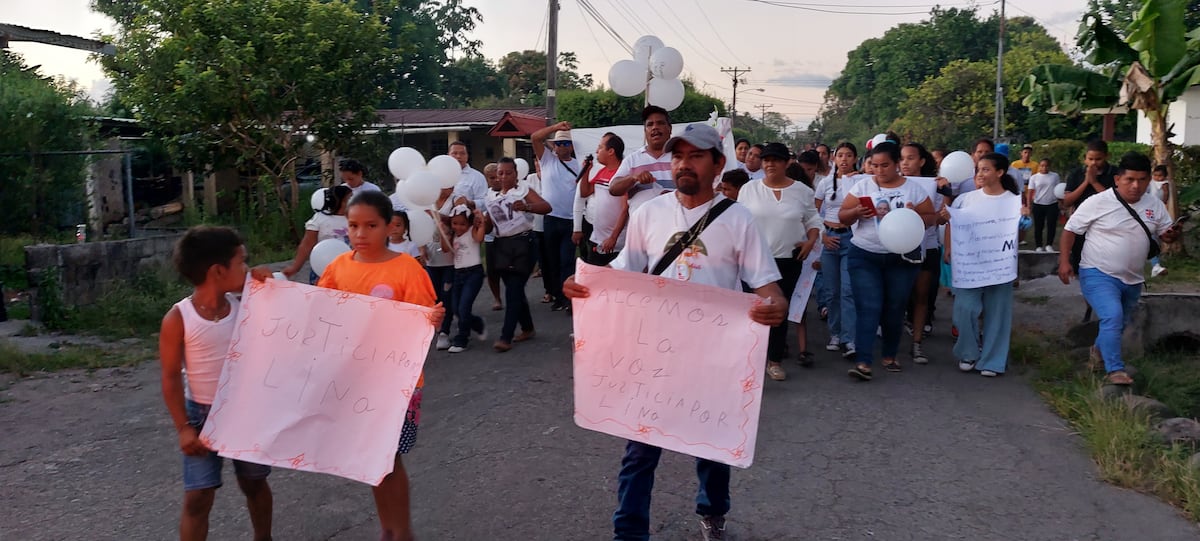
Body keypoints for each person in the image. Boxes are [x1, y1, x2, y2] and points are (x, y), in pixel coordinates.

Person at [562, 123, 786, 541]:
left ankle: (713, 512)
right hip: (654, 354)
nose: (684, 164)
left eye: (696, 156)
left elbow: (768, 288)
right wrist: (582, 285)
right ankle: (628, 533)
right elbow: (622, 273)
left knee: (711, 447)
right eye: (678, 156)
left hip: (713, 358)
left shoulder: (738, 220)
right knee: (639, 451)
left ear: (718, 164)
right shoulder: (650, 213)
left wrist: (775, 307)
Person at [251, 191, 442, 541]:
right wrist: (271, 289)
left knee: (388, 458)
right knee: (374, 458)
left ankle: (401, 530)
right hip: (352, 383)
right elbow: (317, 314)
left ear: (389, 227)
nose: (360, 233)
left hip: (395, 382)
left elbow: (424, 324)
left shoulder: (407, 269)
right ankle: (390, 528)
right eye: (353, 225)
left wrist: (432, 320)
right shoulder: (338, 268)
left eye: (371, 225)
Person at [159, 226, 273, 541]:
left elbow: (284, 323)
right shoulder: (178, 318)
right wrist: (183, 427)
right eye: (242, 262)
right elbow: (169, 377)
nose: (247, 268)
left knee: (253, 483)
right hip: (200, 418)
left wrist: (269, 287)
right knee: (198, 495)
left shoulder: (248, 306)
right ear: (218, 271)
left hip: (245, 413)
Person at [1059, 152, 1179, 385]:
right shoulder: (1097, 202)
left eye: (1142, 180)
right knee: (1112, 316)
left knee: (1119, 322)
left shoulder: (1154, 204)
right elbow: (1070, 230)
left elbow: (1165, 234)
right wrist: (1064, 261)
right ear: (1117, 179)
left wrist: (1171, 236)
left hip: (1133, 278)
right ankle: (1115, 370)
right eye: (1130, 180)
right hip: (1097, 272)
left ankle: (1097, 354)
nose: (1136, 186)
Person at [838, 142, 935, 380]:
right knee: (869, 306)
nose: (879, 170)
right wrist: (856, 213)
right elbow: (842, 216)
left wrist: (914, 215)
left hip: (901, 258)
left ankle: (890, 355)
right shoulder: (862, 186)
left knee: (894, 307)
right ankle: (863, 362)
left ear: (896, 164)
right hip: (865, 255)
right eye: (874, 165)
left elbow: (931, 218)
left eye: (885, 165)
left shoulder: (913, 190)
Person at [738, 142, 821, 380]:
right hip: (753, 260)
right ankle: (749, 359)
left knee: (778, 310)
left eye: (775, 159)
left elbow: (813, 220)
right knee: (752, 309)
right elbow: (739, 221)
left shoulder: (802, 191)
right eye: (766, 160)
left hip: (789, 259)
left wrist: (810, 241)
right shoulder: (749, 189)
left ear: (787, 163)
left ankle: (774, 360)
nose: (769, 164)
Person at [942, 153, 1022, 377]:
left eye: (986, 169)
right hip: (970, 265)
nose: (980, 174)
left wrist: (1024, 219)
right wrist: (948, 248)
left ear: (1000, 172)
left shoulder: (1013, 201)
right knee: (964, 309)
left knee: (998, 313)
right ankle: (968, 352)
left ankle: (993, 360)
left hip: (1000, 266)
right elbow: (952, 224)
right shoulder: (966, 200)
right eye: (978, 169)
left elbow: (1019, 232)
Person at [487, 158, 552, 352]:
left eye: (508, 173)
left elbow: (546, 207)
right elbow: (492, 224)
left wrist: (526, 206)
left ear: (516, 174)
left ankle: (505, 337)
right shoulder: (491, 195)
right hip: (502, 245)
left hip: (523, 243)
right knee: (514, 289)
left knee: (513, 289)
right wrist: (482, 221)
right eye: (500, 173)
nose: (504, 177)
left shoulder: (523, 190)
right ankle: (527, 327)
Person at [531, 121, 582, 312]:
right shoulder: (547, 160)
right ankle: (558, 296)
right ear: (554, 145)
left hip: (570, 219)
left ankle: (569, 299)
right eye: (559, 143)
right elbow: (535, 138)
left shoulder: (579, 165)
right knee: (551, 260)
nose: (562, 147)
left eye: (566, 143)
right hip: (551, 217)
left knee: (566, 260)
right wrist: (555, 128)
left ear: (572, 146)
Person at [814, 142, 859, 359]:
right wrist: (823, 235)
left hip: (851, 237)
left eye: (849, 155)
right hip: (829, 238)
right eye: (840, 155)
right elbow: (811, 213)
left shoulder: (861, 181)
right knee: (832, 291)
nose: (844, 159)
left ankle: (850, 338)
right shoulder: (824, 183)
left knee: (849, 290)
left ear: (855, 158)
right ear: (833, 158)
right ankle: (835, 333)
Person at [899, 142, 942, 365]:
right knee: (897, 296)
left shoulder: (935, 186)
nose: (905, 163)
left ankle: (917, 344)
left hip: (928, 246)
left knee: (921, 297)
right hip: (898, 248)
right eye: (902, 158)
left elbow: (938, 217)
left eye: (910, 158)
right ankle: (892, 343)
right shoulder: (892, 184)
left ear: (922, 161)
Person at [438, 205, 488, 353]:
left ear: (469, 223)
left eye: (462, 224)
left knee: (464, 306)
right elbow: (446, 249)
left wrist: (481, 221)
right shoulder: (453, 236)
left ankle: (462, 338)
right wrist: (443, 233)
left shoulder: (472, 231)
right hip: (458, 274)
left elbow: (480, 238)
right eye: (455, 223)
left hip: (474, 273)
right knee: (456, 309)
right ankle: (478, 324)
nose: (458, 227)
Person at [1063, 140, 1118, 272]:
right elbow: (1067, 201)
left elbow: (1116, 201)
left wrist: (1094, 182)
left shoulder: (1115, 173)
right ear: (1085, 159)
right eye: (1090, 159)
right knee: (1079, 258)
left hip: (1107, 223)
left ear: (1107, 156)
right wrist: (1086, 182)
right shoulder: (1076, 174)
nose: (1094, 163)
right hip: (1081, 224)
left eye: (1098, 159)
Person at [609, 105, 675, 215]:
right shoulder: (632, 159)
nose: (655, 127)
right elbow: (613, 189)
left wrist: (672, 197)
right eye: (650, 124)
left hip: (675, 228)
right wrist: (633, 178)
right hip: (641, 229)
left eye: (660, 123)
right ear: (645, 131)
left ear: (670, 128)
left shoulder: (681, 158)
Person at [281, 184, 351, 283]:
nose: (353, 202)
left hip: (349, 267)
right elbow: (307, 245)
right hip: (323, 266)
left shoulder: (355, 218)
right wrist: (295, 267)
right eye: (348, 199)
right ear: (339, 201)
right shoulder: (319, 219)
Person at [577, 132, 629, 267]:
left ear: (611, 151)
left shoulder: (623, 174)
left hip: (615, 242)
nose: (596, 151)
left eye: (600, 148)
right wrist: (586, 172)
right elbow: (585, 192)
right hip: (597, 238)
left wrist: (613, 237)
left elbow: (625, 209)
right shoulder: (602, 171)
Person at [427, 185, 458, 350]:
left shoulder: (457, 199)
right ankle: (439, 326)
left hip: (449, 259)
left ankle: (444, 332)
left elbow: (459, 221)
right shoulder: (426, 199)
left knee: (446, 296)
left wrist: (436, 215)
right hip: (431, 259)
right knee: (434, 296)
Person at [482, 163, 504, 310]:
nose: (496, 180)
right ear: (487, 180)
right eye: (491, 178)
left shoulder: (510, 192)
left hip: (507, 238)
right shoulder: (487, 197)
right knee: (492, 271)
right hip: (491, 238)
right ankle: (497, 298)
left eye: (498, 176)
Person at [1027, 158, 1061, 252]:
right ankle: (1039, 245)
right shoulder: (1034, 177)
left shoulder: (1055, 176)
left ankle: (1049, 244)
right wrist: (1029, 205)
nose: (1044, 168)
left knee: (1051, 225)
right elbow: (1030, 192)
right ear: (1039, 166)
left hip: (1052, 204)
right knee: (1038, 226)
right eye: (1042, 165)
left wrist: (1061, 203)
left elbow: (1058, 189)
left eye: (1046, 166)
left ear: (1049, 166)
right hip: (1038, 204)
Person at [448, 141, 489, 211]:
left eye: (462, 153)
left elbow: (485, 202)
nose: (458, 156)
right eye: (454, 153)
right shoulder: (440, 175)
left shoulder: (477, 177)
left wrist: (470, 203)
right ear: (448, 155)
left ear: (467, 156)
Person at [1150, 164, 1171, 277]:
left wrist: (1163, 203)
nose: (1158, 178)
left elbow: (1166, 194)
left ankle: (1156, 265)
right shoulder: (1150, 183)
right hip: (1150, 210)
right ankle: (1155, 265)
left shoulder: (1164, 184)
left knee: (1153, 239)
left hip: (1156, 211)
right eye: (1155, 175)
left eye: (1160, 176)